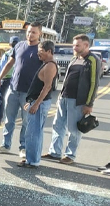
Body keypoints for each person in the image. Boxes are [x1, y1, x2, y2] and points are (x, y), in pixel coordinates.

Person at [42, 34, 101, 164]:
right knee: (58, 125)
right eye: (74, 45)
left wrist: (89, 103)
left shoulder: (92, 60)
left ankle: (70, 155)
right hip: (65, 97)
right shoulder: (75, 58)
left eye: (77, 45)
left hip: (78, 100)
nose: (74, 47)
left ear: (86, 45)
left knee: (73, 129)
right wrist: (60, 95)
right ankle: (55, 152)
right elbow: (67, 79)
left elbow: (94, 83)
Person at [0, 22, 44, 158]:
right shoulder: (19, 45)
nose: (30, 34)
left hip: (29, 93)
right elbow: (10, 63)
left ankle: (23, 148)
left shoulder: (40, 49)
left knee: (26, 122)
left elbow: (47, 68)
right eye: (29, 32)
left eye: (33, 32)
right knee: (9, 119)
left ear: (39, 34)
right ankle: (5, 145)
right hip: (14, 89)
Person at [18, 40, 57, 168]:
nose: (38, 54)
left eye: (40, 51)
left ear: (49, 51)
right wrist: (30, 101)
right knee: (31, 132)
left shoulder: (50, 66)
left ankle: (33, 161)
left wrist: (36, 104)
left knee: (34, 133)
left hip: (40, 104)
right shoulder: (45, 64)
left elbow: (47, 87)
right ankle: (30, 159)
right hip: (34, 101)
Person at [0, 36, 19, 125]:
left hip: (6, 78)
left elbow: (1, 67)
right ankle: (10, 118)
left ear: (10, 44)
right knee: (13, 100)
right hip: (16, 80)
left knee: (1, 98)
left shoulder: (7, 54)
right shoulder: (21, 54)